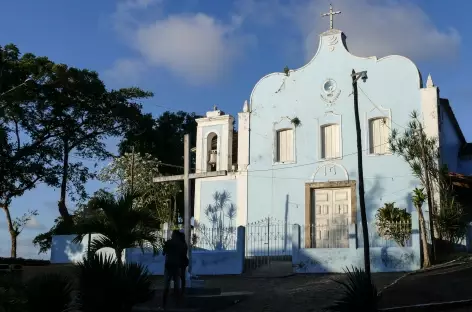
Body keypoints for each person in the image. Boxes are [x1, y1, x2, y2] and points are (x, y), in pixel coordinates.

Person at [161, 230, 187, 310]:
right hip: (174, 266)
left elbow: (163, 253)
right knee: (175, 286)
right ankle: (176, 304)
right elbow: (183, 254)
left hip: (170, 266)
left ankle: (165, 305)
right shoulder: (180, 244)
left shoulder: (169, 243)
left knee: (167, 287)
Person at [178, 229, 189, 295]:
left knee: (181, 276)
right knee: (182, 276)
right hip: (182, 261)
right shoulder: (184, 244)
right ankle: (182, 290)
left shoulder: (182, 244)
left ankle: (182, 290)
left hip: (181, 261)